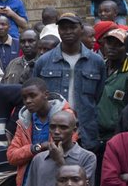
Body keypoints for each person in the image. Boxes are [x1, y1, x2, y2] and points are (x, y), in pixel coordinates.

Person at [32, 13, 105, 151]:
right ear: (58, 30)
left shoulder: (96, 62)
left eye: (73, 27)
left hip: (85, 131)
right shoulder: (43, 61)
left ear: (81, 29)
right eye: (64, 28)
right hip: (52, 132)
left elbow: (97, 96)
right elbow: (37, 97)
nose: (68, 31)